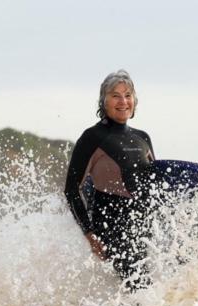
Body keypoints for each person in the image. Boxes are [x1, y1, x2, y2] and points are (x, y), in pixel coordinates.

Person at [64, 69, 155, 290]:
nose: (123, 101)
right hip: (109, 221)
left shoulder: (143, 138)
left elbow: (153, 185)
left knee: (141, 288)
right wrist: (89, 233)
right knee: (137, 288)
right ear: (103, 101)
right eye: (115, 95)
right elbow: (71, 189)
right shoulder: (93, 137)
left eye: (128, 94)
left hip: (140, 226)